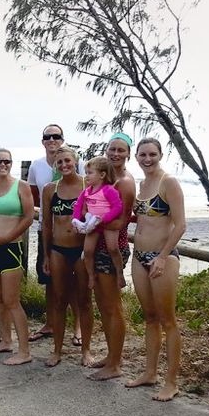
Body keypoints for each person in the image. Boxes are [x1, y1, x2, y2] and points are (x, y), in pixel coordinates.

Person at [125, 137, 186, 401]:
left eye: (152, 154)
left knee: (167, 320)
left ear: (160, 155)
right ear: (136, 157)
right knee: (150, 318)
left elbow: (181, 225)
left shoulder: (168, 182)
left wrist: (161, 257)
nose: (147, 159)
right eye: (143, 155)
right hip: (139, 256)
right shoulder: (141, 185)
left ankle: (171, 382)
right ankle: (149, 372)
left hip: (163, 257)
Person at [26, 123, 83, 343]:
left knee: (77, 284)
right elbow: (34, 197)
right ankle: (50, 324)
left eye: (56, 136)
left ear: (62, 139)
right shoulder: (36, 166)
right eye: (48, 137)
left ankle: (78, 326)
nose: (52, 140)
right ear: (42, 141)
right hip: (48, 230)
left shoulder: (76, 165)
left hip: (78, 237)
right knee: (50, 280)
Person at [41, 146, 96, 368]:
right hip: (58, 249)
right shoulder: (50, 189)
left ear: (75, 161)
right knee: (59, 300)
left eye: (67, 161)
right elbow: (47, 224)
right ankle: (57, 350)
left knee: (84, 301)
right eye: (60, 162)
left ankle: (86, 350)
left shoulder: (87, 185)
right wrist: (46, 255)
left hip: (82, 250)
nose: (64, 165)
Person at [89, 133, 136, 382]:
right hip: (98, 244)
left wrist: (93, 224)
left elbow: (122, 220)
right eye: (112, 149)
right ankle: (111, 356)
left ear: (128, 154)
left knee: (112, 306)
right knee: (103, 305)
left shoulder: (124, 183)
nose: (115, 154)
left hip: (112, 246)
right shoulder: (104, 178)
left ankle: (116, 363)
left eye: (121, 150)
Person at [0, 148, 35, 365]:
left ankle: (25, 351)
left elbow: (28, 217)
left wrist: (6, 238)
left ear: (11, 163)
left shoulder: (21, 186)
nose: (2, 165)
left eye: (6, 161)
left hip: (11, 247)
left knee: (12, 300)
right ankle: (5, 340)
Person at [72, 156, 125, 289]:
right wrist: (75, 220)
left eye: (90, 173)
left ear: (102, 175)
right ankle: (91, 275)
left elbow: (118, 207)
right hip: (93, 224)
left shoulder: (109, 190)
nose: (86, 176)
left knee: (113, 248)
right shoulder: (86, 191)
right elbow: (78, 206)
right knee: (87, 251)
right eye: (86, 173)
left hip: (108, 224)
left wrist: (105, 219)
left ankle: (119, 273)